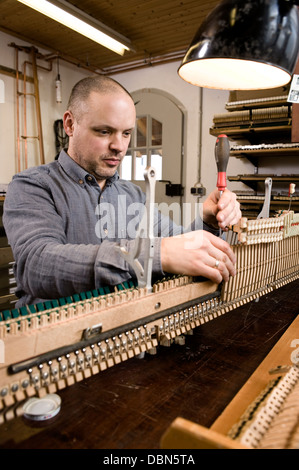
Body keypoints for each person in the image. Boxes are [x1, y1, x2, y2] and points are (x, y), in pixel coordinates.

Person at [3, 76, 241, 308]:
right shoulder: (33, 186)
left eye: (126, 133)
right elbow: (36, 265)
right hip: (52, 336)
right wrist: (154, 254)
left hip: (124, 328)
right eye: (104, 131)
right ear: (70, 125)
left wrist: (207, 219)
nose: (119, 146)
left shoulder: (132, 195)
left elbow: (180, 243)